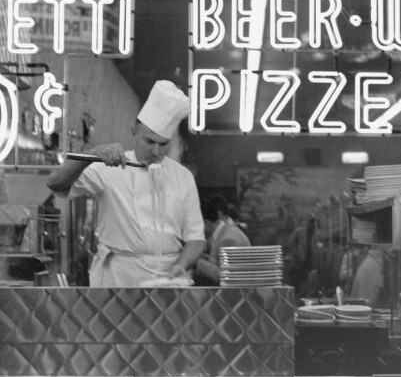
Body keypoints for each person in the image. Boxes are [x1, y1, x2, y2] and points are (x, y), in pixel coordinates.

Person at [47, 81, 206, 287]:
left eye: (163, 144)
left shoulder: (183, 177)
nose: (156, 152)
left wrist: (182, 265)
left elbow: (196, 239)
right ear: (134, 132)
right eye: (149, 142)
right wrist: (91, 155)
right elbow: (55, 184)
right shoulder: (111, 165)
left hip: (168, 279)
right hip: (118, 277)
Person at [195, 195, 251, 284]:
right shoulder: (224, 234)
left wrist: (198, 263)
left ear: (205, 222)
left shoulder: (228, 239)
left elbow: (228, 277)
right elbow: (219, 264)